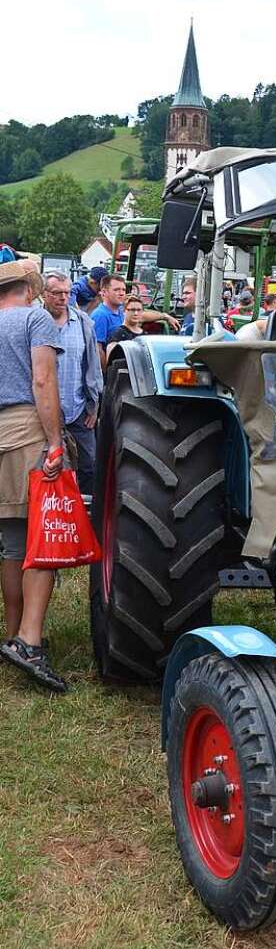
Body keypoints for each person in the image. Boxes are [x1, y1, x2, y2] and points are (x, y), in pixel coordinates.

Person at [0, 260, 67, 692]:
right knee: (43, 539)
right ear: (29, 287)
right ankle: (29, 640)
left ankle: (11, 635)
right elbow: (43, 380)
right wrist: (56, 438)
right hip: (27, 431)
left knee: (10, 540)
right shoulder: (36, 318)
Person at [40, 272, 103, 496]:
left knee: (90, 465)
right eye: (57, 293)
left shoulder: (83, 322)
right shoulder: (34, 321)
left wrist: (93, 406)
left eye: (66, 293)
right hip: (41, 413)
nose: (63, 298)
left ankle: (83, 514)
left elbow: (93, 366)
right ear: (44, 294)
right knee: (44, 467)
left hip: (77, 411)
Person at [92, 274, 179, 366]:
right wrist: (106, 375)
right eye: (116, 290)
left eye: (123, 290)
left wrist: (165, 316)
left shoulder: (121, 310)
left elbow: (143, 316)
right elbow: (98, 349)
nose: (121, 293)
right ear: (104, 292)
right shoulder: (100, 315)